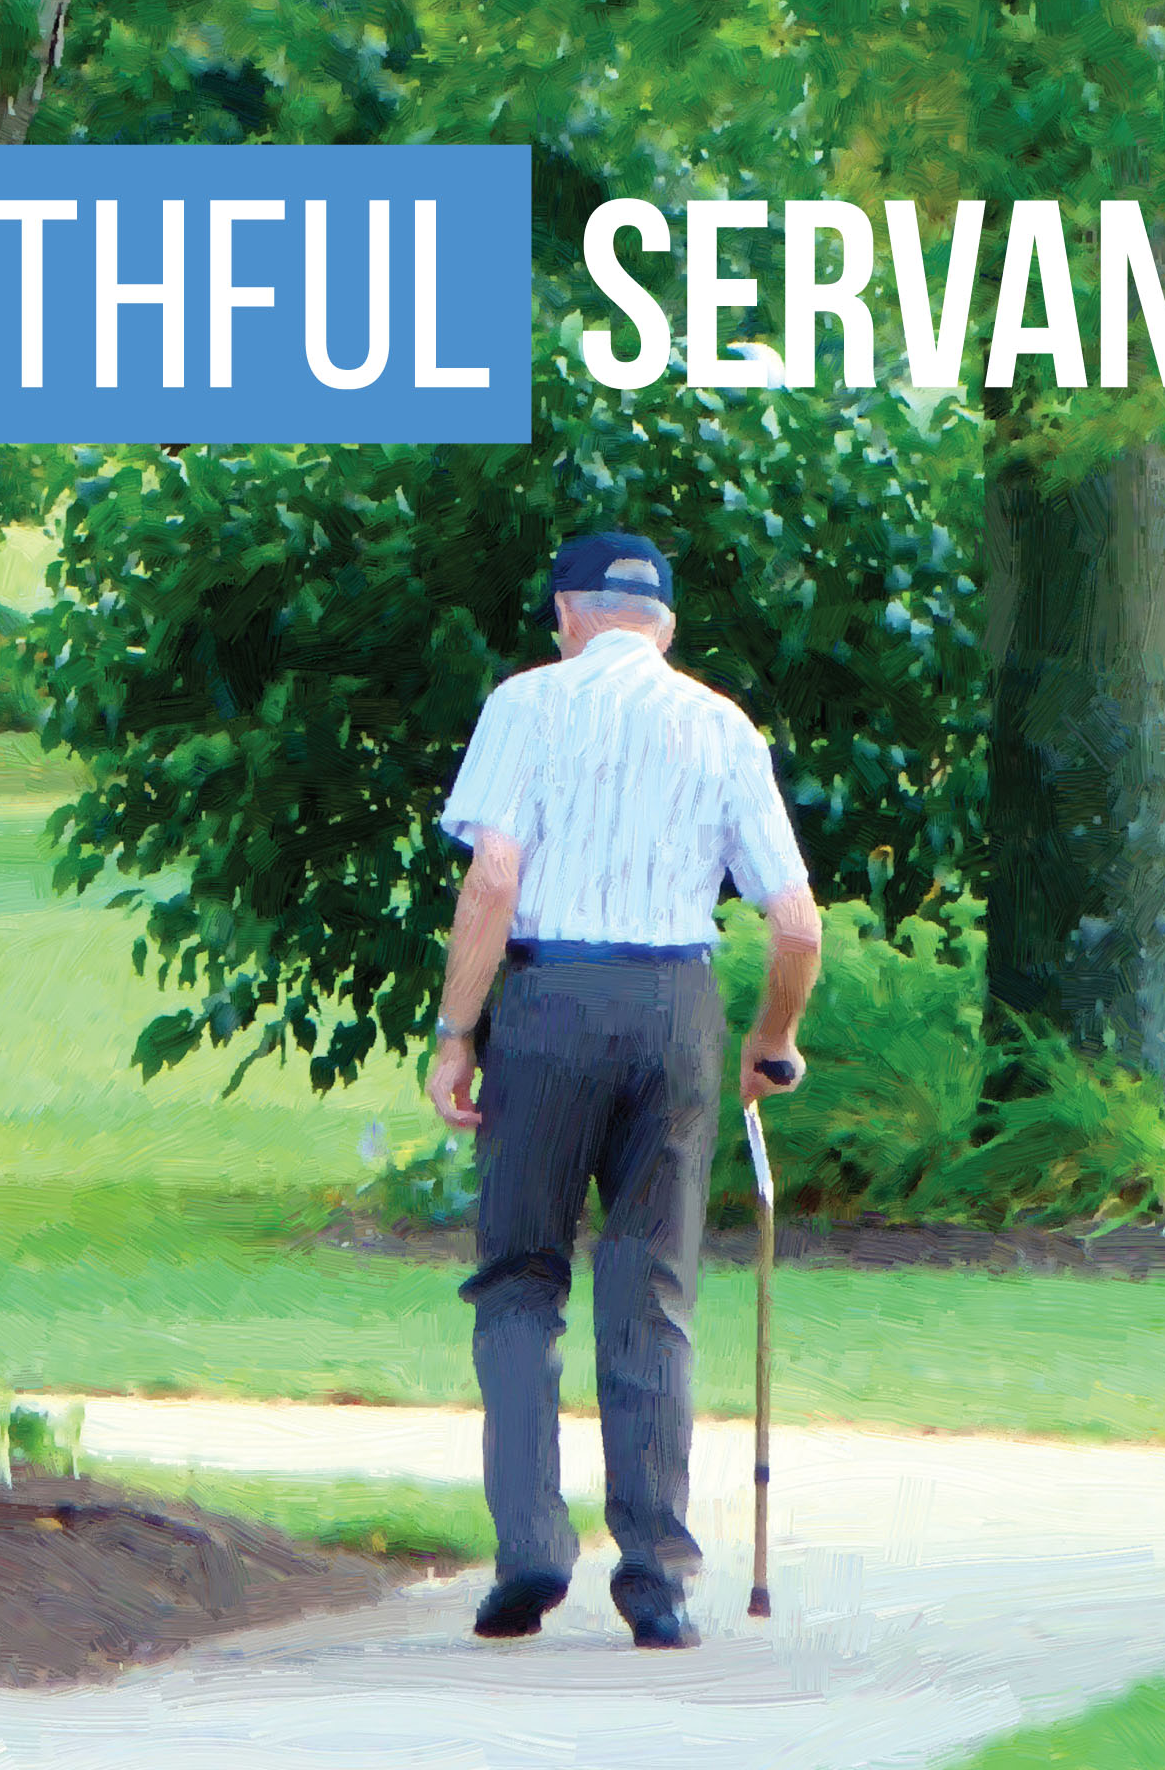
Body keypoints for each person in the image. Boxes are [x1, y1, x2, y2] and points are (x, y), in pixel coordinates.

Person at [426, 529, 822, 1650]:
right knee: (651, 1291)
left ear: (566, 614)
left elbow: (494, 874)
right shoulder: (721, 725)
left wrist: (459, 1032)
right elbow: (795, 924)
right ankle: (656, 1577)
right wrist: (771, 1041)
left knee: (518, 1281)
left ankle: (532, 1552)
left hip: (550, 1007)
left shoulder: (527, 705)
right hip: (674, 1013)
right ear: (665, 627)